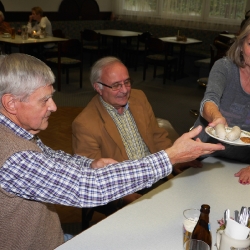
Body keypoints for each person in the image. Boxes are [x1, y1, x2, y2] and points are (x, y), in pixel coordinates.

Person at [0, 53, 224, 249]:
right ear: (11, 103)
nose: (54, 107)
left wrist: (89, 164)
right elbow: (87, 188)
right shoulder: (12, 155)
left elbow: (51, 158)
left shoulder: (18, 134)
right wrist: (171, 156)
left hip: (53, 237)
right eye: (45, 100)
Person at [72, 56, 202, 206]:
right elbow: (92, 173)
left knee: (196, 193)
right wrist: (123, 195)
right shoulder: (84, 124)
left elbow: (157, 136)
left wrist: (175, 159)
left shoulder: (139, 97)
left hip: (156, 171)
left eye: (127, 82)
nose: (124, 90)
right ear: (98, 87)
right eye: (115, 85)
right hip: (124, 186)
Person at [192, 24, 250, 185]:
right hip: (206, 154)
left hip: (243, 163)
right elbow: (209, 100)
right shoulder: (224, 68)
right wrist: (217, 117)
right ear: (241, 46)